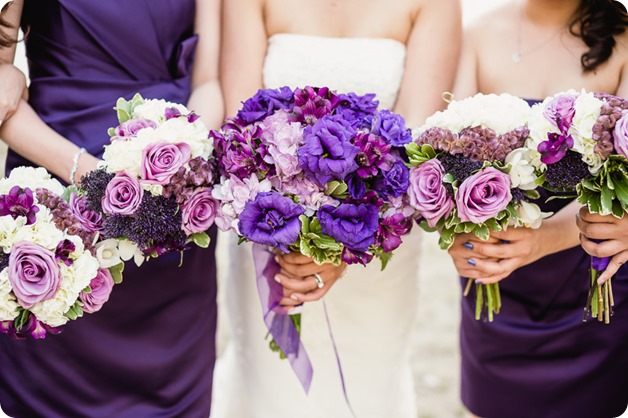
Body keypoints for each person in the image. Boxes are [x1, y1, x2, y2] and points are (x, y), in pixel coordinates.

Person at [211, 1, 461, 417]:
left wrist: (342, 247)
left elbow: (415, 147)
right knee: (272, 389)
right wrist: (289, 235)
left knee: (370, 388)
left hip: (376, 241)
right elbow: (239, 129)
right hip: (268, 230)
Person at [0, 1, 223, 417]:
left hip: (172, 218)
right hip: (60, 212)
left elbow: (209, 80)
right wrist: (95, 178)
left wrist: (183, 155)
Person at [450, 1, 628, 417]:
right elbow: (448, 156)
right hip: (496, 280)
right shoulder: (475, 34)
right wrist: (460, 236)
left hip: (594, 280)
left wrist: (541, 241)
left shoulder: (624, 40)